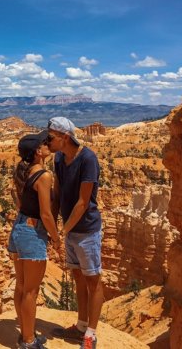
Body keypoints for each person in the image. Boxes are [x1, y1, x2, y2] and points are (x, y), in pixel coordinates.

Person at [47, 117, 104, 349]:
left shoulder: (88, 159)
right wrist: (52, 222)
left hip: (87, 229)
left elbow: (83, 202)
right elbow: (58, 192)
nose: (47, 141)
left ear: (65, 138)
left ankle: (91, 333)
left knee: (93, 280)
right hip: (70, 229)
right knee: (79, 278)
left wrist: (62, 230)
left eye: (51, 137)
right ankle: (81, 326)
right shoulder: (59, 158)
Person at [8, 131, 61, 349]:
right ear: (38, 152)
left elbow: (19, 205)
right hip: (32, 233)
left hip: (19, 229)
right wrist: (56, 238)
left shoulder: (24, 172)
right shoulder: (44, 176)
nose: (48, 144)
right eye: (44, 143)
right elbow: (46, 214)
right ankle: (29, 342)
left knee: (21, 287)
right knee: (31, 291)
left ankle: (25, 334)